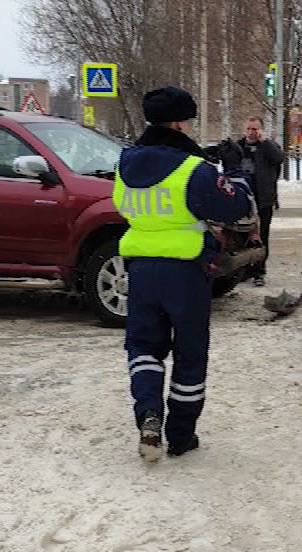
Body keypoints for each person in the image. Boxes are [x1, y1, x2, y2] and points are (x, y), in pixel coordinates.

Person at [114, 86, 254, 462]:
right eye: (189, 121)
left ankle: (149, 413)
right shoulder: (193, 169)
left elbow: (123, 208)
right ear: (178, 123)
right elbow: (237, 209)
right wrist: (235, 171)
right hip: (186, 271)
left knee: (143, 347)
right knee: (189, 354)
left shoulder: (124, 164)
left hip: (140, 269)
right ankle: (180, 435)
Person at [238, 116, 285, 286]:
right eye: (249, 128)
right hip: (242, 198)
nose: (251, 132)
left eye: (255, 129)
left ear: (261, 130)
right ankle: (243, 270)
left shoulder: (268, 147)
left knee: (262, 235)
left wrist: (265, 142)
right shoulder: (239, 146)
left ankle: (259, 271)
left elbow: (279, 159)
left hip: (263, 198)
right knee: (241, 235)